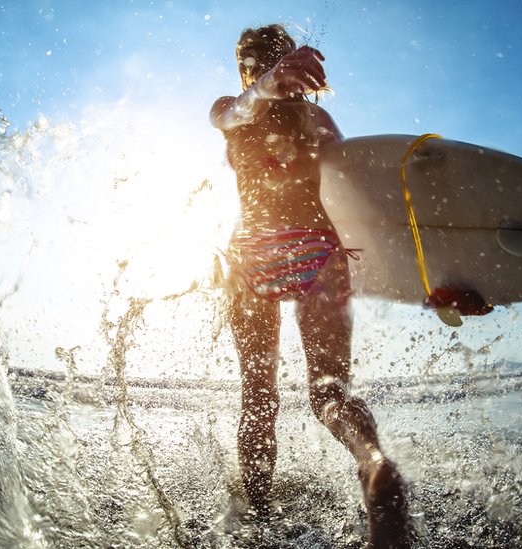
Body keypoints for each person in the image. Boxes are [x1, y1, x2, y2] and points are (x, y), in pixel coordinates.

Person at [209, 24, 411, 547]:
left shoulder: (231, 109)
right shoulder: (311, 118)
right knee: (328, 393)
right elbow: (362, 200)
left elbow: (234, 113)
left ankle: (257, 523)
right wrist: (435, 280)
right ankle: (372, 463)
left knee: (258, 398)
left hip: (252, 252)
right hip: (319, 250)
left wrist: (437, 282)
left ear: (244, 66)